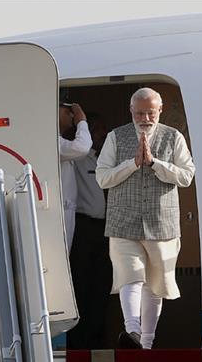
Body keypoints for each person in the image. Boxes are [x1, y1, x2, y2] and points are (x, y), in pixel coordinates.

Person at [96, 87, 195, 349]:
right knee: (130, 276)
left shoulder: (174, 137)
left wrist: (154, 163)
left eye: (151, 112)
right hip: (123, 220)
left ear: (160, 110)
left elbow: (187, 176)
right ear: (131, 111)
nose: (146, 118)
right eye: (140, 113)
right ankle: (133, 332)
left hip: (161, 222)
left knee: (155, 283)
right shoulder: (115, 137)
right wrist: (132, 163)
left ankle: (147, 343)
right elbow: (102, 177)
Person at [67, 115, 112, 349]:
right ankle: (78, 343)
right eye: (98, 131)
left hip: (106, 231)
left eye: (105, 131)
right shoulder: (78, 159)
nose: (102, 135)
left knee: (102, 285)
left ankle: (97, 342)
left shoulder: (110, 160)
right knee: (81, 285)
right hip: (84, 227)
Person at [59, 94, 92, 251]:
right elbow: (82, 147)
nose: (72, 115)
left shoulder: (59, 140)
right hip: (60, 212)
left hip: (66, 210)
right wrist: (82, 121)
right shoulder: (53, 141)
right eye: (67, 111)